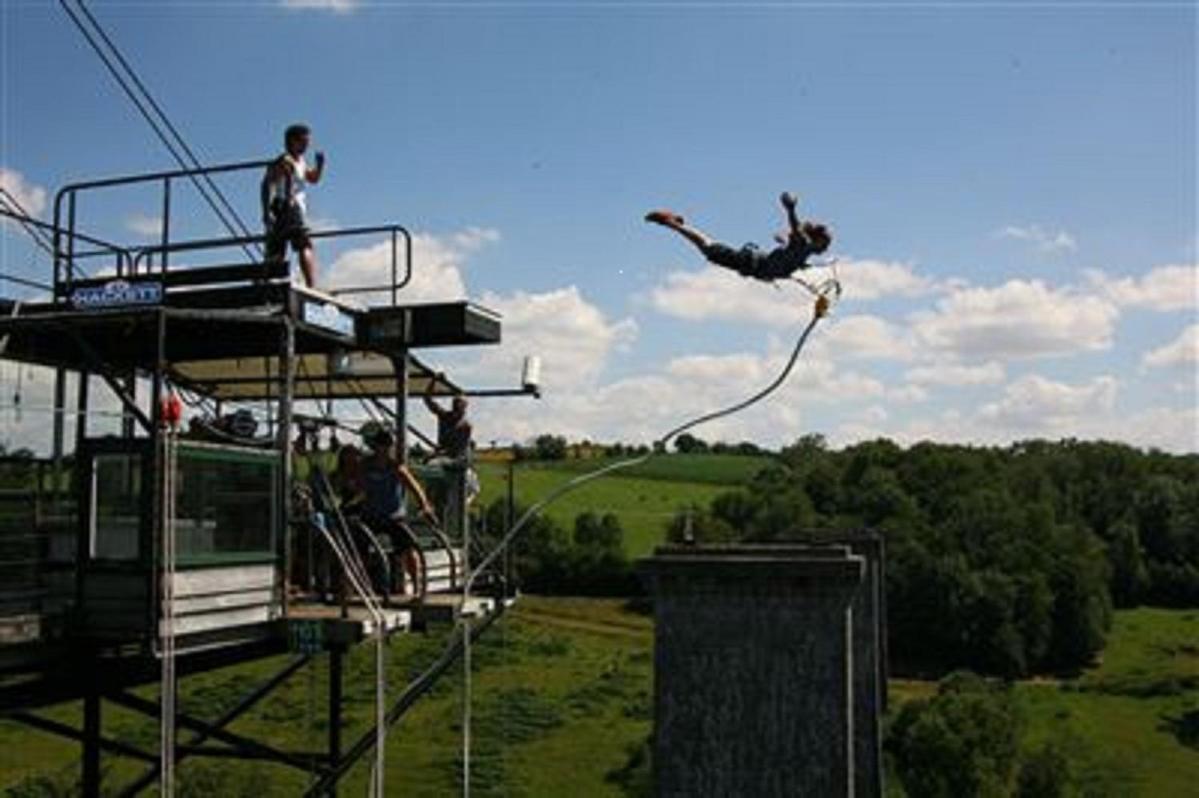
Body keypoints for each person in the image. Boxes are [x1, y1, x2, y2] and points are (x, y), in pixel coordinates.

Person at [645, 192, 832, 282]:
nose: (826, 248)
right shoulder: (804, 244)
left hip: (750, 264)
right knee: (708, 247)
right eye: (825, 243)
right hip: (747, 262)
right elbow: (796, 229)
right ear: (816, 239)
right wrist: (791, 209)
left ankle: (677, 224)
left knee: (708, 246)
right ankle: (672, 223)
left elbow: (788, 255)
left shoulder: (802, 254)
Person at [357, 421, 438, 598]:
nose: (385, 450)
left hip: (393, 516)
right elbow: (359, 487)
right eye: (382, 446)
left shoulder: (396, 468)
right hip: (371, 515)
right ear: (376, 447)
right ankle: (356, 586)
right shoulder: (366, 465)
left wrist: (424, 505)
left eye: (388, 446)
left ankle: (417, 586)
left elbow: (415, 487)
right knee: (358, 547)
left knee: (409, 548)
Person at [261, 123, 325, 287]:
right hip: (288, 206)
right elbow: (267, 183)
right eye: (303, 142)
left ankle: (268, 282)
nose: (306, 146)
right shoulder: (284, 160)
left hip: (289, 208)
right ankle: (312, 285)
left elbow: (312, 179)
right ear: (292, 141)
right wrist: (267, 211)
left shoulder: (300, 161)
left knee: (278, 248)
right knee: (304, 243)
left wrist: (320, 165)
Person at [423, 372, 472, 460]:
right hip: (443, 455)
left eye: (463, 406)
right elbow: (427, 399)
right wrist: (434, 381)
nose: (462, 410)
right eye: (459, 406)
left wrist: (436, 454)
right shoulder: (445, 416)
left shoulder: (465, 426)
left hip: (457, 460)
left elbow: (457, 450)